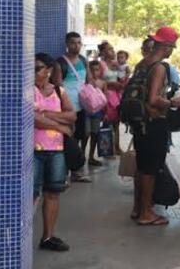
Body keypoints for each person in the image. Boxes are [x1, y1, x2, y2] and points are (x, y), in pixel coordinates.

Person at [131, 27, 180, 226]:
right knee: (151, 170)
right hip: (153, 123)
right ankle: (146, 212)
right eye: (172, 47)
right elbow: (153, 99)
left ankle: (137, 208)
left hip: (139, 123)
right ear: (167, 46)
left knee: (142, 168)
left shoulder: (141, 64)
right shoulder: (160, 67)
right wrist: (172, 103)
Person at [34, 53, 76, 251]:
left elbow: (72, 116)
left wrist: (48, 114)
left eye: (38, 68)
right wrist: (60, 127)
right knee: (31, 195)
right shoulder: (27, 91)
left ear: (49, 70)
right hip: (33, 152)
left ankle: (48, 237)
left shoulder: (59, 92)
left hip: (56, 151)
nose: (34, 73)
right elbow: (34, 119)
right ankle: (19, 238)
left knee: (53, 193)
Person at [52, 32, 93, 183]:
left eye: (79, 43)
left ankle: (76, 171)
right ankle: (65, 173)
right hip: (67, 109)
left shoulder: (83, 60)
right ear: (67, 44)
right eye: (73, 43)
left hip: (82, 106)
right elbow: (58, 86)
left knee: (82, 136)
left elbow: (89, 80)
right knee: (68, 139)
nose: (76, 46)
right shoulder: (60, 63)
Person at [99, 41, 125, 155]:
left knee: (117, 123)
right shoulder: (101, 65)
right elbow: (98, 81)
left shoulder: (116, 64)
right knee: (107, 122)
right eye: (109, 49)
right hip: (106, 95)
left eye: (113, 49)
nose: (113, 51)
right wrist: (109, 85)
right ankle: (107, 149)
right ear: (103, 52)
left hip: (117, 95)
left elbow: (122, 76)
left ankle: (117, 147)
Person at [84, 60, 107, 166]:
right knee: (86, 133)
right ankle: (82, 155)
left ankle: (91, 156)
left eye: (97, 70)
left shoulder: (102, 83)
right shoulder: (86, 82)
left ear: (100, 71)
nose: (94, 72)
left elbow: (105, 98)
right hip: (87, 112)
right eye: (92, 70)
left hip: (97, 113)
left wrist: (105, 113)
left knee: (95, 134)